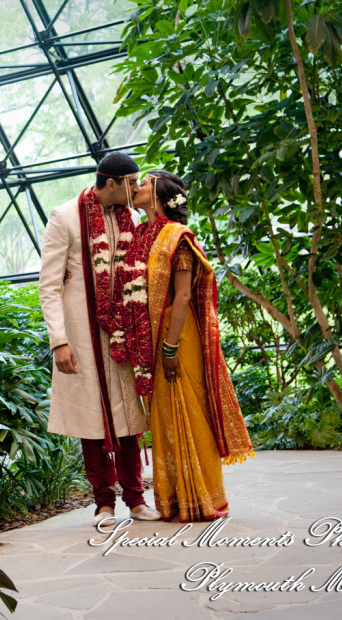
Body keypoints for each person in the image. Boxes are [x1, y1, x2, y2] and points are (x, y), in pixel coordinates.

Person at [121, 173, 255, 523]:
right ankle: (175, 500)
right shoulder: (141, 236)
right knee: (164, 414)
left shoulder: (176, 238)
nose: (135, 188)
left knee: (187, 409)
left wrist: (168, 347)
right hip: (154, 336)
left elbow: (182, 295)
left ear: (160, 197)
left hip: (177, 337)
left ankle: (203, 498)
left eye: (144, 184)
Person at [38, 153, 162, 527]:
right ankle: (103, 504)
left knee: (128, 415)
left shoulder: (132, 219)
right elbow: (48, 285)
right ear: (111, 184)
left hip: (123, 330)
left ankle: (137, 500)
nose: (135, 188)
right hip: (82, 333)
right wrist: (59, 340)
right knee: (91, 418)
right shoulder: (65, 217)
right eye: (130, 182)